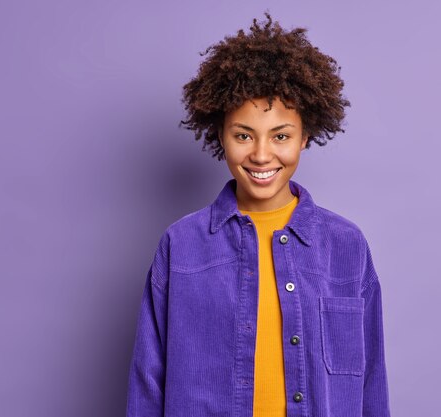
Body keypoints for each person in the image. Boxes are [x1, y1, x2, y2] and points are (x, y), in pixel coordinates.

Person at [126, 12, 391, 417]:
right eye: (243, 135)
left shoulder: (347, 246)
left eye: (280, 135)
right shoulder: (181, 246)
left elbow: (371, 381)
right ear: (220, 136)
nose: (262, 154)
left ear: (305, 136)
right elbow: (148, 381)